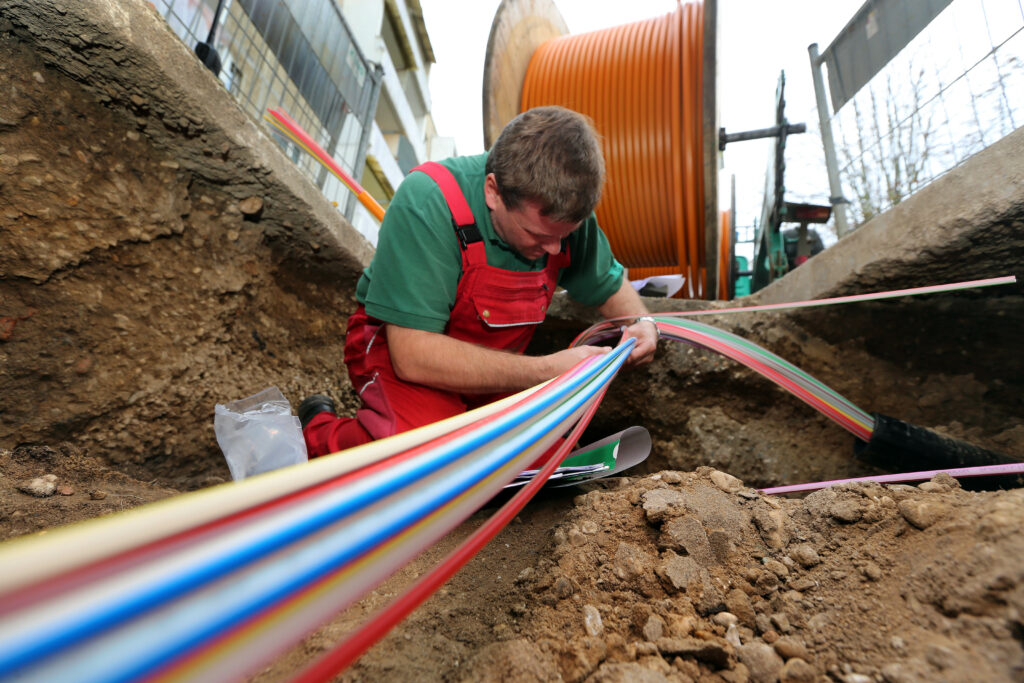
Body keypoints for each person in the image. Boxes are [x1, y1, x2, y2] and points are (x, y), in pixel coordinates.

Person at [300, 106, 658, 457]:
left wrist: (642, 324)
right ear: (493, 191)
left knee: (542, 454)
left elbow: (608, 281)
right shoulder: (429, 200)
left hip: (493, 371)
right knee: (427, 455)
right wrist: (549, 371)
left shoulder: (559, 215)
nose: (554, 247)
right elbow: (412, 356)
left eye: (566, 234)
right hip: (399, 352)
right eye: (536, 234)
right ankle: (317, 432)